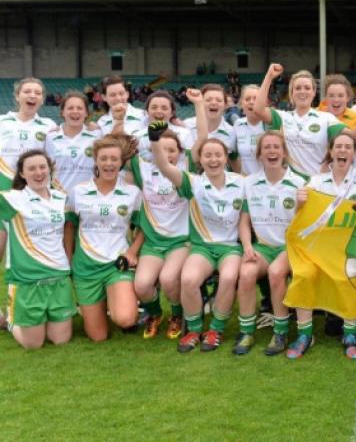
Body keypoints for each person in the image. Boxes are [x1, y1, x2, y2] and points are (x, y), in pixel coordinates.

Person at [151, 126, 244, 353]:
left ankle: (215, 329)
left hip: (230, 247)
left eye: (218, 155)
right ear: (199, 160)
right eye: (207, 155)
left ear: (225, 157)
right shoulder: (193, 182)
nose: (213, 160)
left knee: (230, 276)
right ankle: (193, 329)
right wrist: (154, 139)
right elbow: (164, 166)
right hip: (202, 247)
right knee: (189, 279)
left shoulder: (242, 183)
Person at [128, 88, 207, 340]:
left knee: (169, 279)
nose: (167, 154)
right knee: (141, 285)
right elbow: (116, 146)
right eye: (162, 149)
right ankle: (154, 313)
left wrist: (199, 104)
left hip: (181, 241)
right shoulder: (142, 167)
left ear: (180, 152)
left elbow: (203, 139)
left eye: (172, 149)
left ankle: (176, 314)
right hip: (153, 241)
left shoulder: (186, 169)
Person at [292, 132, 356, 359]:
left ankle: (351, 334)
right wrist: (299, 203)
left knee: (350, 274)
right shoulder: (315, 182)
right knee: (303, 274)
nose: (343, 150)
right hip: (318, 248)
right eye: (338, 147)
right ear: (331, 152)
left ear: (354, 154)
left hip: (348, 247)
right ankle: (305, 334)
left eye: (348, 147)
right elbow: (299, 218)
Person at [65, 135, 143, 341]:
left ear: (121, 162)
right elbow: (70, 226)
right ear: (96, 160)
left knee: (126, 319)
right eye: (104, 158)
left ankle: (119, 301)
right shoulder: (78, 192)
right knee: (98, 336)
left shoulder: (132, 193)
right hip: (86, 268)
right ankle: (104, 303)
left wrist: (132, 252)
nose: (109, 163)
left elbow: (143, 228)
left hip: (117, 265)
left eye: (114, 159)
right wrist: (68, 259)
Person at [234, 131, 306, 355]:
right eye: (267, 147)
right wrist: (247, 246)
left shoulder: (298, 182)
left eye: (276, 147)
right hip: (262, 246)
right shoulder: (250, 183)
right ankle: (246, 332)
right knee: (245, 273)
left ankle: (280, 330)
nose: (272, 151)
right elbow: (244, 221)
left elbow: (303, 224)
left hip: (288, 246)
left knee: (276, 273)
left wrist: (301, 205)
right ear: (259, 154)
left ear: (284, 152)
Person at [1, 150, 75, 349]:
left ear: (49, 169)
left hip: (58, 277)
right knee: (33, 344)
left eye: (42, 167)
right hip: (28, 280)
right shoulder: (13, 199)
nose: (38, 172)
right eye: (31, 168)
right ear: (22, 174)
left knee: (60, 340)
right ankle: (10, 320)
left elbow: (69, 228)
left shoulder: (61, 197)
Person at [253, 64, 356, 178]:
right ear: (291, 93)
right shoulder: (283, 117)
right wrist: (269, 77)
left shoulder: (326, 119)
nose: (302, 91)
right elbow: (258, 109)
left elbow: (352, 137)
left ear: (314, 92)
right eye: (297, 88)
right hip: (292, 183)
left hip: (317, 184)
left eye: (307, 88)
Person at [0, 78, 57, 190]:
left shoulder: (49, 125)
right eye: (27, 92)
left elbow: (52, 160)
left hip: (34, 186)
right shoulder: (2, 121)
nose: (32, 95)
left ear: (42, 100)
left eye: (38, 93)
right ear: (17, 96)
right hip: (4, 182)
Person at [45, 91, 101, 194]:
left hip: (89, 198)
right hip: (60, 198)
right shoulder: (51, 137)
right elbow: (47, 170)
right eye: (70, 108)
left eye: (80, 108)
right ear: (62, 112)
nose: (75, 111)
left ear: (86, 113)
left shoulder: (97, 135)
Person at [184, 84, 239, 172]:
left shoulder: (232, 132)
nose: (213, 103)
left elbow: (235, 164)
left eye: (219, 100)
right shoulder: (186, 126)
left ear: (225, 105)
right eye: (208, 100)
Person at [130, 90, 193, 164]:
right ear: (147, 111)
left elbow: (189, 163)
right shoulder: (137, 137)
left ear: (172, 112)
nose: (159, 111)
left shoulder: (184, 134)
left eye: (164, 108)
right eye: (154, 107)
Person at [233, 85, 269, 176]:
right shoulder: (238, 124)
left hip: (267, 183)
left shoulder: (270, 125)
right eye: (247, 99)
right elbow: (233, 156)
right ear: (241, 103)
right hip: (246, 182)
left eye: (255, 99)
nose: (251, 102)